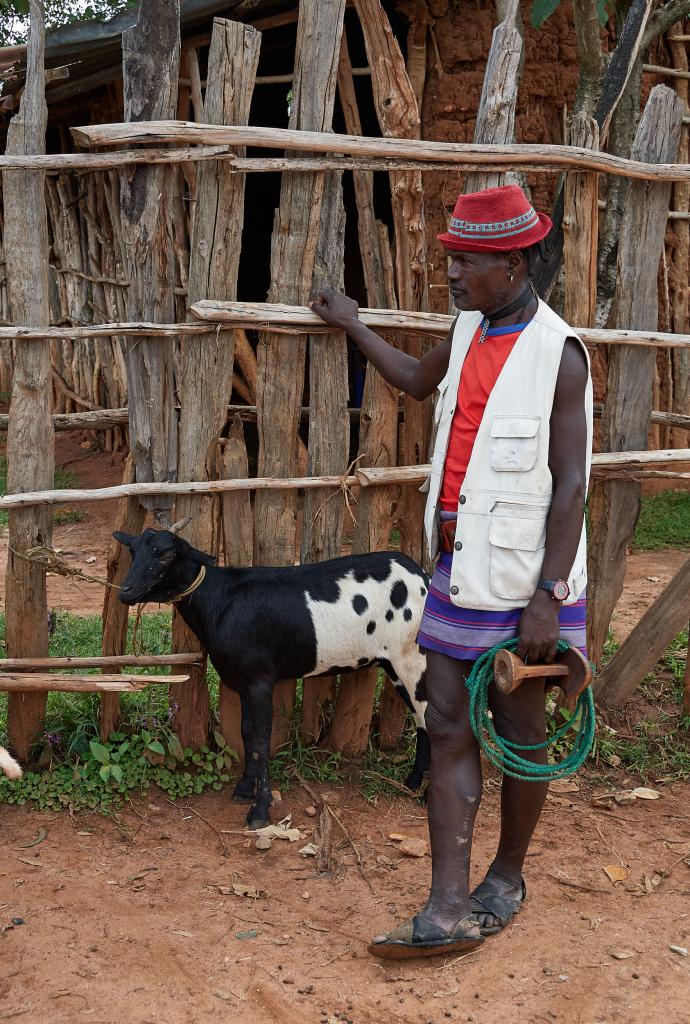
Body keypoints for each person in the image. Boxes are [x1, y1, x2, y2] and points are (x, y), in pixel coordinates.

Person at [310, 184, 593, 960]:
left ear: (518, 260)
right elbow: (412, 381)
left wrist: (550, 596)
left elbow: (571, 485)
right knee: (446, 722)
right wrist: (355, 325)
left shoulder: (559, 356)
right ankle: (444, 903)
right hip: (460, 571)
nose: (454, 273)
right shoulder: (468, 330)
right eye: (453, 258)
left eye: (469, 260)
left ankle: (506, 877)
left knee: (522, 732)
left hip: (530, 583)